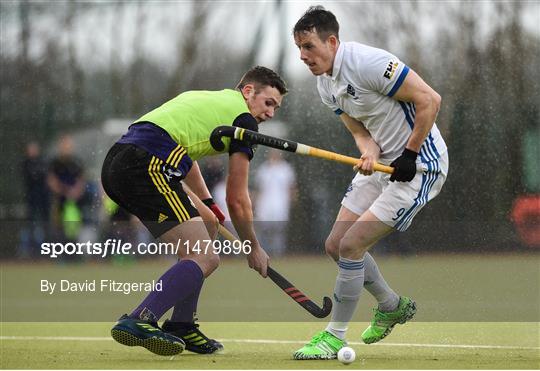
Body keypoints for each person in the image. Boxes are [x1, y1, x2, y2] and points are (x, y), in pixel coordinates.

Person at [291, 7, 448, 360]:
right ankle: (391, 304)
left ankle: (334, 336)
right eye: (299, 48)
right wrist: (369, 154)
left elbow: (430, 100)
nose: (303, 56)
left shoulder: (369, 63)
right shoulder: (325, 85)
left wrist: (408, 154)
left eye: (309, 46)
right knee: (335, 244)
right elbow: (362, 132)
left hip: (421, 167)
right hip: (385, 168)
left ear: (332, 41)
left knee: (351, 245)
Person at [101, 66, 287, 356]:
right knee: (205, 257)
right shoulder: (244, 122)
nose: (271, 113)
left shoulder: (213, 101)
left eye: (276, 107)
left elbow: (186, 155)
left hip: (121, 162)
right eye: (268, 103)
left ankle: (181, 324)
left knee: (209, 225)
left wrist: (207, 203)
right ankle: (139, 318)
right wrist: (252, 246)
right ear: (248, 92)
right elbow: (238, 198)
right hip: (146, 164)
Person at [254, 149, 296, 256]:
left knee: (279, 229)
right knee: (264, 228)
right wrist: (255, 202)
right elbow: (258, 188)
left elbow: (291, 188)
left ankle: (278, 252)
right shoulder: (263, 169)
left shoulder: (286, 169)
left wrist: (292, 201)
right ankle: (264, 251)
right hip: (265, 203)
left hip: (281, 203)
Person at [47, 135, 86, 242]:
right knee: (58, 227)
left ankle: (73, 251)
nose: (66, 148)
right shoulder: (55, 163)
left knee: (74, 228)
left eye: (68, 145)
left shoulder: (76, 162)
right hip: (59, 201)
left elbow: (81, 181)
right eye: (64, 145)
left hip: (74, 202)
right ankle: (60, 251)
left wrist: (74, 192)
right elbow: (51, 180)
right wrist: (62, 190)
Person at [19, 141, 50, 258]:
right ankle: (30, 250)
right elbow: (33, 176)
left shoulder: (42, 162)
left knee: (44, 223)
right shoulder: (26, 164)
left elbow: (44, 176)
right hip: (31, 199)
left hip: (43, 199)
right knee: (31, 223)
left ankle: (44, 249)